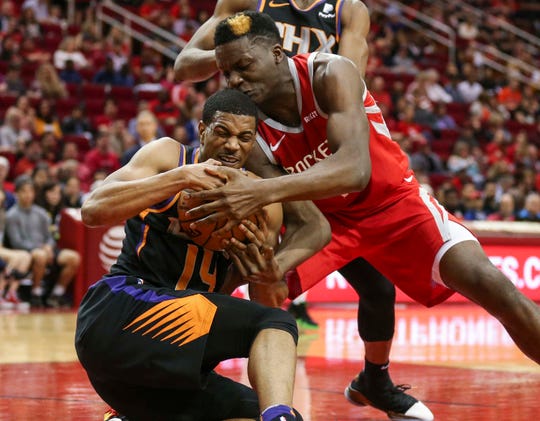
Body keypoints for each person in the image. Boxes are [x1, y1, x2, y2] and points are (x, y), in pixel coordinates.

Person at [182, 12, 540, 419]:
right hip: (325, 220)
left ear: (277, 53)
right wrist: (266, 266)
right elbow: (302, 219)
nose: (235, 81)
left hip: (393, 204)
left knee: (492, 286)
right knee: (235, 285)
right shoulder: (251, 129)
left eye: (243, 67)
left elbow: (354, 169)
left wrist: (259, 190)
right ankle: (196, 396)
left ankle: (374, 381)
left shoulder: (330, 73)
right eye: (226, 73)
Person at [173, 2, 428, 419]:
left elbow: (350, 74)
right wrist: (237, 60)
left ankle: (375, 380)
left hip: (309, 146)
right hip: (255, 142)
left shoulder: (346, 10)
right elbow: (184, 65)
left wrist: (285, 70)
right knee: (230, 275)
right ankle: (175, 376)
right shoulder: (246, 6)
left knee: (377, 288)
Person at [76, 89, 329, 421]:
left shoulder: (262, 203)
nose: (232, 146)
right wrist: (177, 178)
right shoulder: (170, 157)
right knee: (278, 323)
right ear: (202, 130)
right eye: (223, 133)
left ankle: (129, 414)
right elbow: (93, 210)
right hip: (119, 311)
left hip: (165, 354)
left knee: (253, 408)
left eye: (244, 137)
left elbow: (265, 309)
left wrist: (266, 274)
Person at [5, 175, 80, 308]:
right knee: (40, 255)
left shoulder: (41, 213)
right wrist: (41, 247)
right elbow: (16, 242)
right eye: (24, 191)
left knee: (73, 258)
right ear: (16, 193)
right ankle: (36, 293)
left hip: (45, 249)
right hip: (26, 251)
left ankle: (57, 294)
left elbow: (50, 236)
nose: (28, 195)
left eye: (30, 191)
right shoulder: (11, 215)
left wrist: (49, 247)